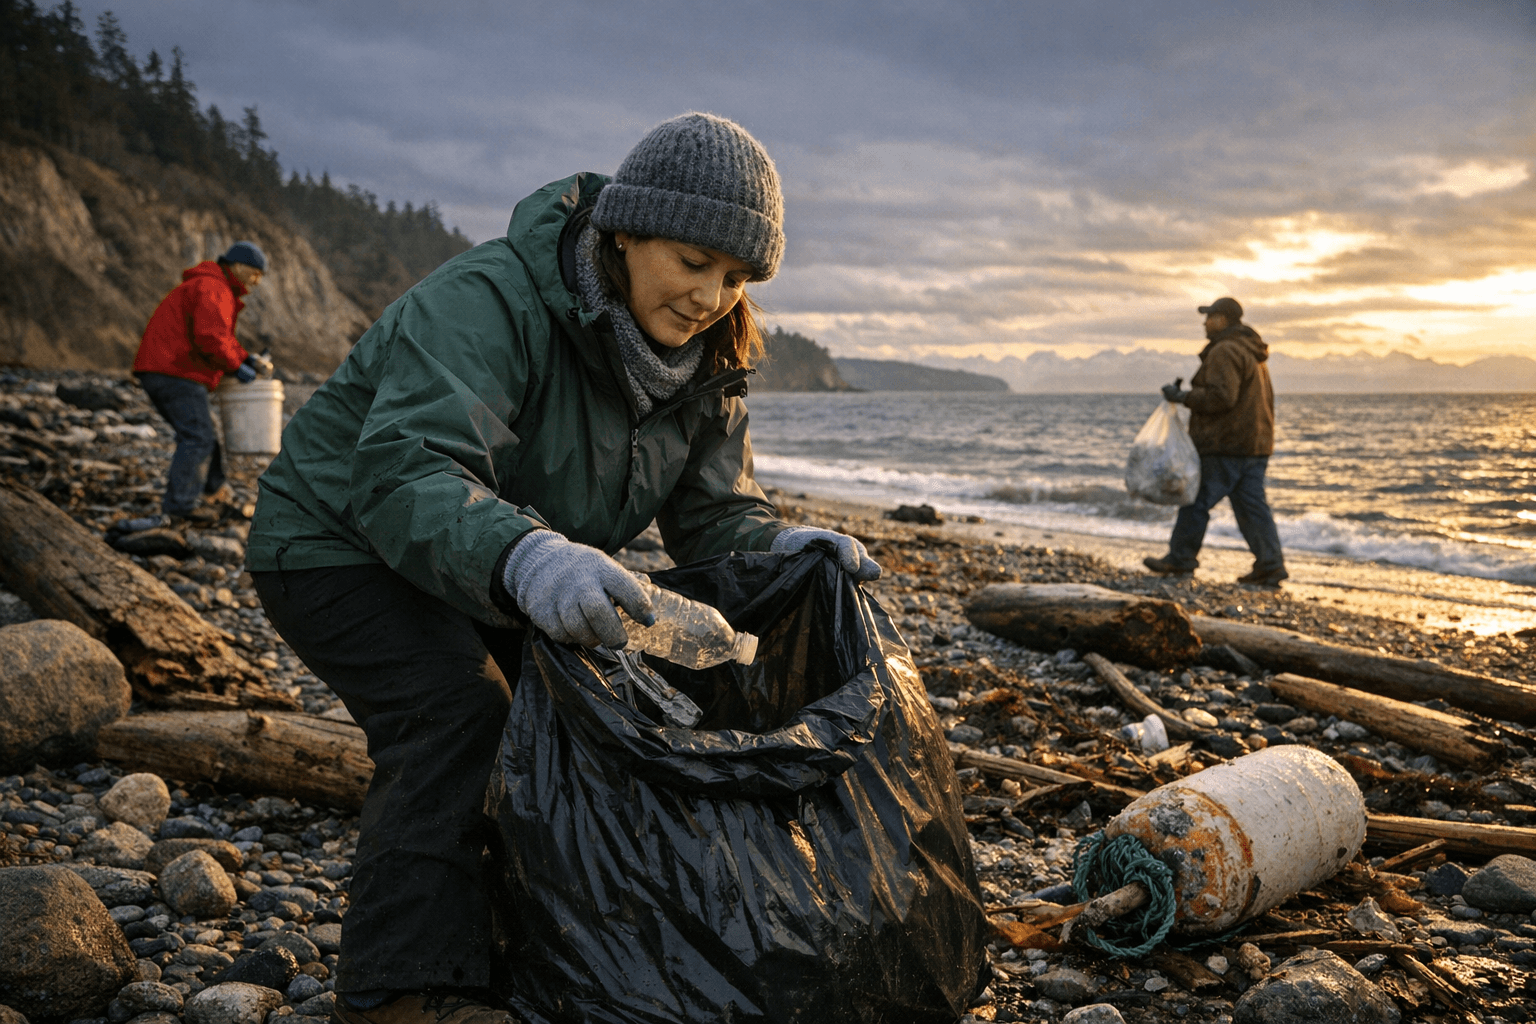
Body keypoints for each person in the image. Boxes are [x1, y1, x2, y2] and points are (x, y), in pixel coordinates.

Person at [243, 113, 881, 1024]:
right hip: (335, 540)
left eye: (738, 277)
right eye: (694, 262)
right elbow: (405, 469)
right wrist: (529, 556)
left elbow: (713, 516)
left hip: (491, 549)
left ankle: (511, 951)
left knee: (561, 729)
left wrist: (785, 550)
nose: (712, 295)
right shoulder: (494, 300)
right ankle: (397, 997)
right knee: (457, 717)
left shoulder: (707, 359)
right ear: (625, 228)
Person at [127, 241, 273, 528]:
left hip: (165, 369)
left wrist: (247, 358)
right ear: (239, 266)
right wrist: (236, 367)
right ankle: (180, 507)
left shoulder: (213, 286)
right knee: (198, 437)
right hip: (174, 371)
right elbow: (211, 338)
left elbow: (221, 337)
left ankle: (213, 492)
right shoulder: (213, 288)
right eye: (255, 273)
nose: (257, 281)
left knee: (204, 433)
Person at [1143, 296, 1287, 585]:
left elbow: (1221, 398)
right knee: (1252, 507)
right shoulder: (1253, 353)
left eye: (1210, 317)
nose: (1205, 323)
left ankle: (1181, 559)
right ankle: (1270, 565)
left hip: (1226, 444)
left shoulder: (1225, 350)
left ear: (1223, 319)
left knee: (1195, 500)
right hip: (1255, 444)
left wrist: (1182, 397)